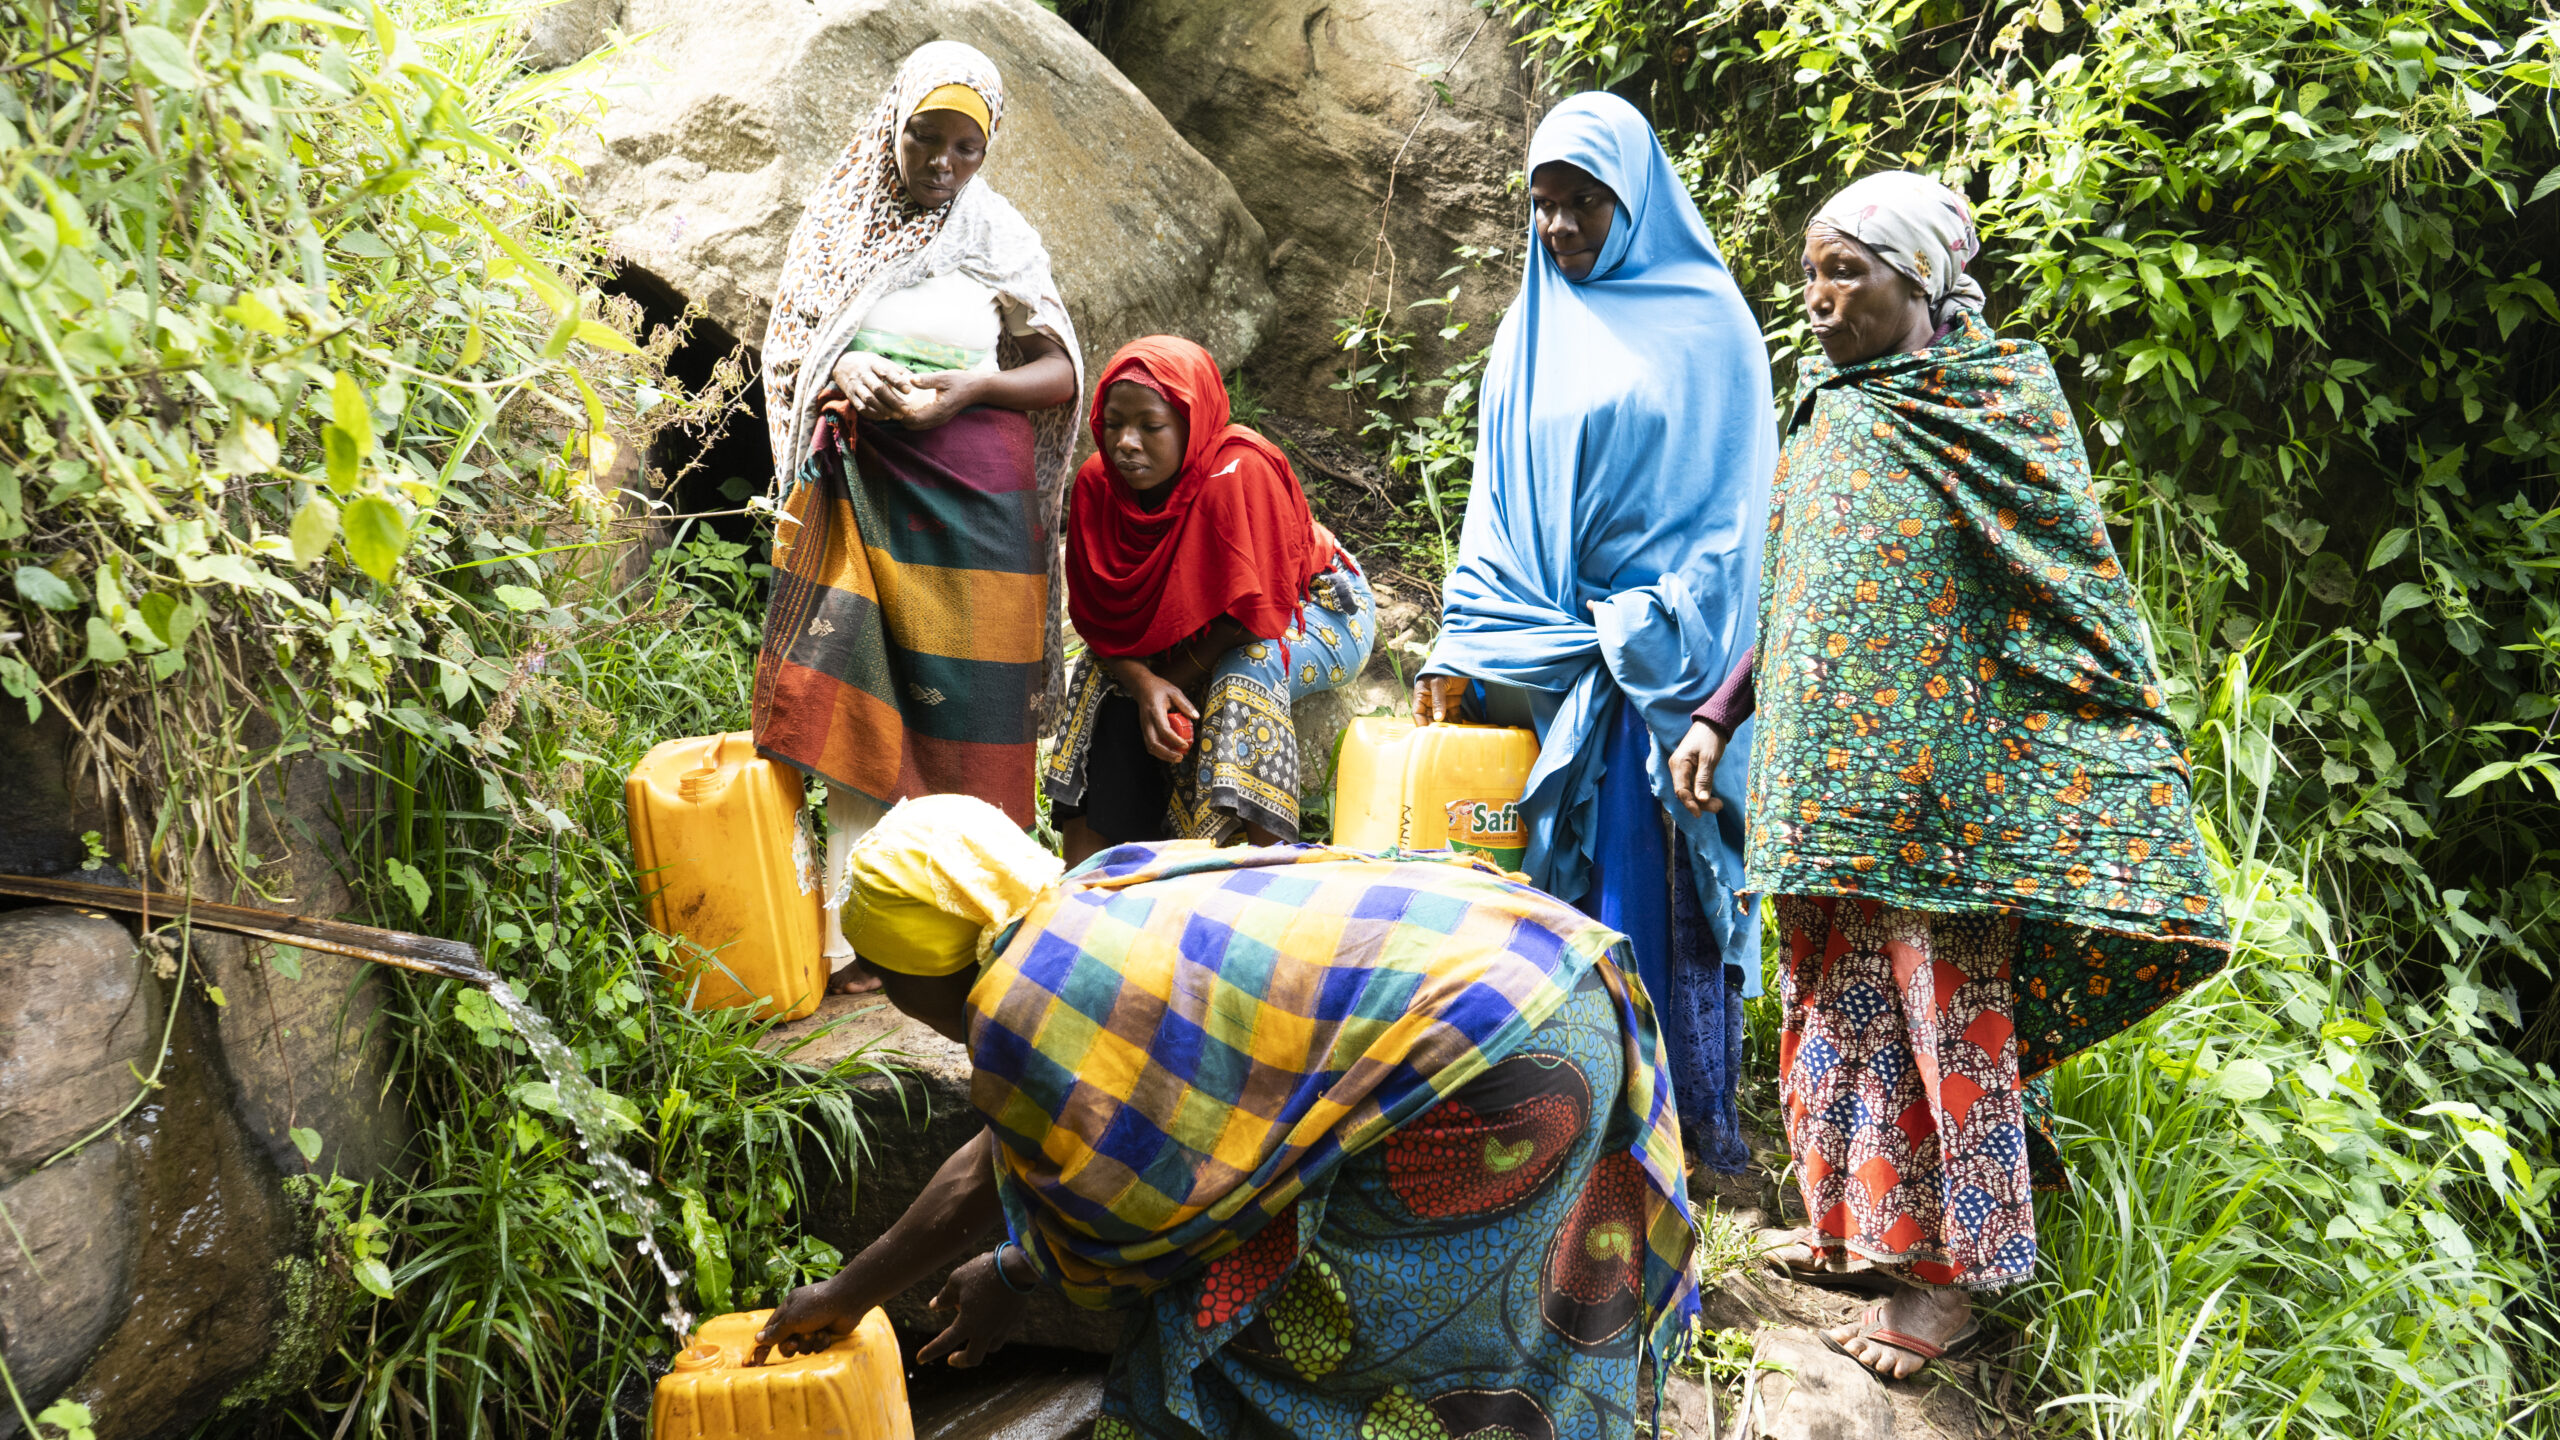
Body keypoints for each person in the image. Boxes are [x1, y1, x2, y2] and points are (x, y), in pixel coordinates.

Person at [1665, 171, 2231, 1377]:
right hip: (1829, 795)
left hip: (1947, 808)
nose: (1817, 298)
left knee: (1943, 1027)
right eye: (1809, 273)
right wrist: (1719, 714)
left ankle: (1948, 1295)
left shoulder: (1990, 408)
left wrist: (2114, 739)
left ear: (1918, 280)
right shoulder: (1829, 410)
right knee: (1838, 1007)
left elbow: (2065, 592)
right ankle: (1853, 1234)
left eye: (1846, 272)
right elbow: (1797, 594)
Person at [751, 796, 1697, 1439]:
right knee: (1498, 1322)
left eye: (884, 972)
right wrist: (852, 1292)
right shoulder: (1098, 892)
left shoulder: (1021, 996)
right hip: (1558, 984)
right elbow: (997, 1157)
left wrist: (1016, 1269)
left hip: (1483, 1062)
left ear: (918, 968)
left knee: (1239, 1326)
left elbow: (1151, 1226)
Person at [1413, 92, 1774, 1174]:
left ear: (1636, 198)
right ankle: (1539, 1143)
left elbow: (1736, 524)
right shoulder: (1527, 330)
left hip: (1656, 667)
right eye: (1544, 203)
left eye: (1585, 202)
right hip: (1536, 657)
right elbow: (1494, 505)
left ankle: (1667, 1141)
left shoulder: (1712, 328)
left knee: (1648, 894)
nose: (1560, 226)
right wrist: (1458, 641)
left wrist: (1646, 631)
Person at [751, 41, 1084, 994]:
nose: (942, 162)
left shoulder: (997, 233)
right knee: (859, 697)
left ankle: (982, 928)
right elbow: (794, 345)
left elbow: (1060, 368)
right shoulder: (840, 220)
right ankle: (862, 934)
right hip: (864, 488)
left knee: (975, 715)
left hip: (976, 500)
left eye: (965, 147)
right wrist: (845, 365)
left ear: (988, 148)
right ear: (889, 127)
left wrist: (974, 386)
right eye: (923, 139)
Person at [1046, 337, 1375, 864]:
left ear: (1191, 424)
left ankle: (1270, 870)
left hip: (1311, 604)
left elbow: (1256, 615)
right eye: (1114, 424)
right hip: (1193, 626)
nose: (1126, 443)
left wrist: (1171, 680)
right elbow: (1097, 622)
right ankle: (1083, 880)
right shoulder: (1098, 486)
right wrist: (1144, 683)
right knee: (1094, 676)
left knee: (1245, 672)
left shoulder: (1238, 473)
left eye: (1151, 426)